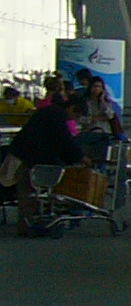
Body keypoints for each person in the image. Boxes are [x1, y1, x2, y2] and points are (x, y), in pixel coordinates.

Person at [3, 98, 86, 231]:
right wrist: (80, 157)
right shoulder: (56, 116)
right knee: (28, 192)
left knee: (28, 193)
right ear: (71, 108)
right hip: (26, 157)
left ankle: (29, 223)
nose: (74, 119)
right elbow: (64, 140)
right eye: (76, 115)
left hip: (23, 155)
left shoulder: (50, 112)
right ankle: (29, 226)